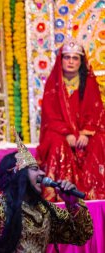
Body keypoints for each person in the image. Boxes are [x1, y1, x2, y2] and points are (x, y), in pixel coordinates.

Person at [0, 131, 93, 252]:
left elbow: (81, 235)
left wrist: (73, 204)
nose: (42, 173)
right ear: (17, 173)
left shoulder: (44, 210)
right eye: (34, 168)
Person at [37, 39, 105, 201]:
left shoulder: (89, 82)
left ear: (81, 62)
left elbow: (96, 111)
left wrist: (86, 134)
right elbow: (50, 115)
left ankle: (95, 194)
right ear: (61, 60)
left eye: (75, 58)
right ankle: (58, 194)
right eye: (67, 57)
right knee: (56, 143)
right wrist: (66, 133)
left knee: (99, 141)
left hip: (84, 133)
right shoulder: (52, 84)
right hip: (60, 132)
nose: (71, 62)